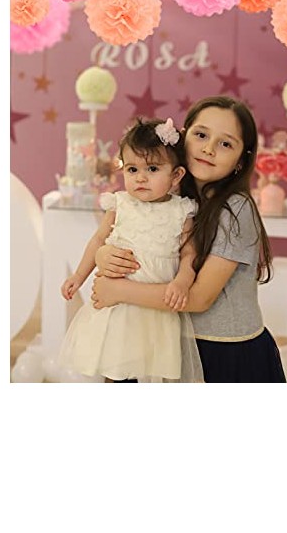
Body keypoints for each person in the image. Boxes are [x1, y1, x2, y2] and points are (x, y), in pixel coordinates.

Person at [91, 96, 286, 383]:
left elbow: (199, 298)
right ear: (183, 137)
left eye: (225, 143)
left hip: (223, 351)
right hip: (161, 334)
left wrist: (118, 290)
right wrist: (104, 254)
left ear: (240, 160)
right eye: (201, 135)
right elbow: (127, 236)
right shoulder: (166, 192)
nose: (208, 148)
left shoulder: (236, 209)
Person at [58, 117, 204, 383]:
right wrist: (78, 276)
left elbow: (189, 254)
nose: (141, 178)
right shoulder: (119, 204)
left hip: (156, 309)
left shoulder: (182, 211)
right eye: (132, 169)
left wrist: (183, 281)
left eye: (152, 169)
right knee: (116, 370)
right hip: (119, 309)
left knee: (154, 371)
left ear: (176, 175)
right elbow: (98, 241)